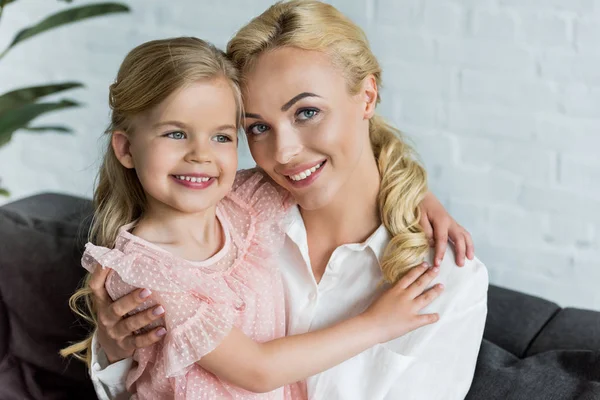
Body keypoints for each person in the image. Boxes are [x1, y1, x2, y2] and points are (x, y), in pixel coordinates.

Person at [87, 1, 488, 399]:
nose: (283, 153)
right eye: (258, 127)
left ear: (367, 96)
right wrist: (115, 350)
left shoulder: (447, 276)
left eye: (307, 112)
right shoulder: (232, 213)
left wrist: (417, 195)